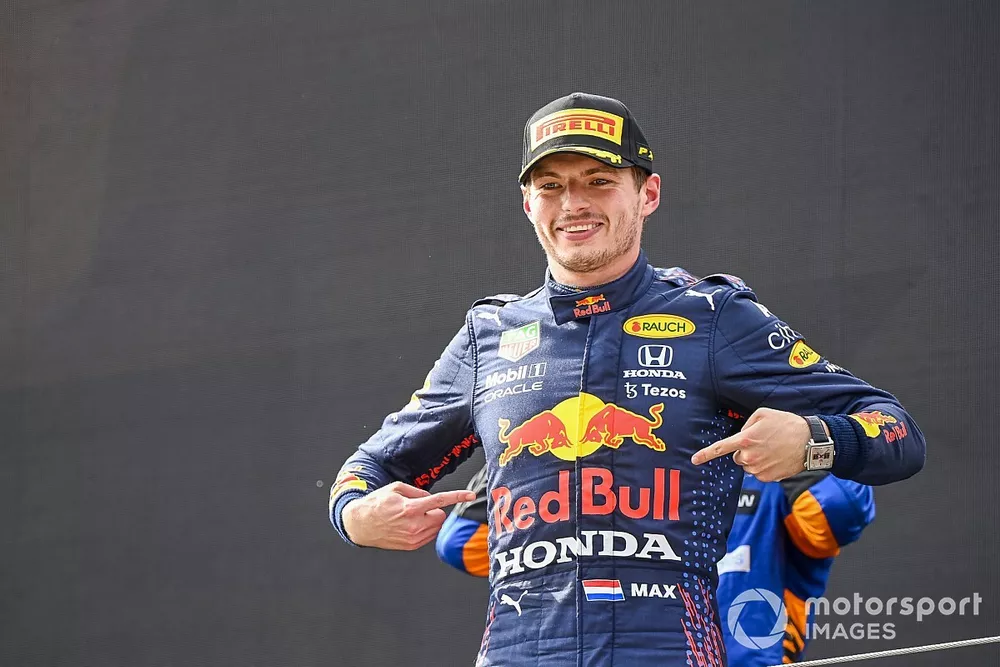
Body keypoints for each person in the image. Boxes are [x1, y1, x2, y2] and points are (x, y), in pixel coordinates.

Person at [328, 91, 925, 666]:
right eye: (552, 187)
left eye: (599, 181)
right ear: (528, 203)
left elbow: (897, 433)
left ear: (648, 193)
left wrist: (814, 442)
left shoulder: (715, 317)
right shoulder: (488, 337)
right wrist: (355, 515)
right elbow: (366, 470)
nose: (573, 204)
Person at [436, 463, 875, 665]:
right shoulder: (611, 473)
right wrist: (518, 458)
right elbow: (466, 544)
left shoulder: (770, 472)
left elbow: (839, 515)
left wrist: (792, 448)